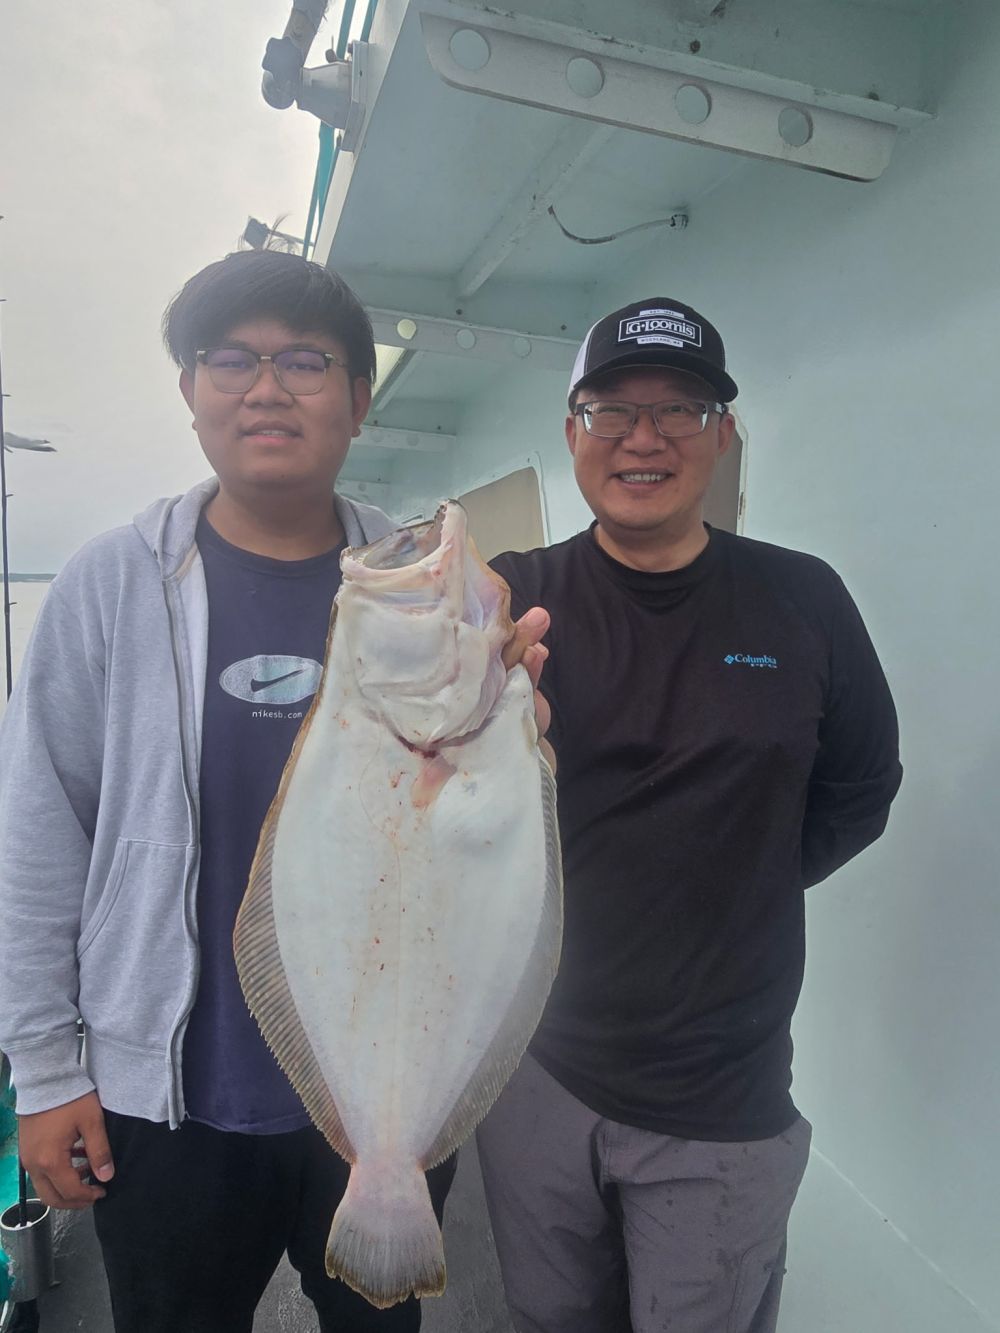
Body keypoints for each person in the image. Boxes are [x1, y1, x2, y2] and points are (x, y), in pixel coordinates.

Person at [0, 248, 547, 1333]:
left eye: (304, 360)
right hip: (165, 1101)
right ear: (192, 392)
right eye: (231, 359)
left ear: (354, 400)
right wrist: (46, 1068)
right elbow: (39, 834)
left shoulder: (427, 586)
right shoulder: (109, 584)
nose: (264, 385)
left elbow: (490, 844)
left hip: (388, 1089)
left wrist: (521, 744)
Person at [477, 297, 903, 1333]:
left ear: (721, 433)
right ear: (573, 432)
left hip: (725, 1083)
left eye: (678, 408)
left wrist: (736, 875)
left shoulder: (804, 600)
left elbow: (858, 789)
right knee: (549, 1319)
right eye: (611, 409)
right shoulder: (508, 602)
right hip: (535, 1063)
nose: (644, 436)